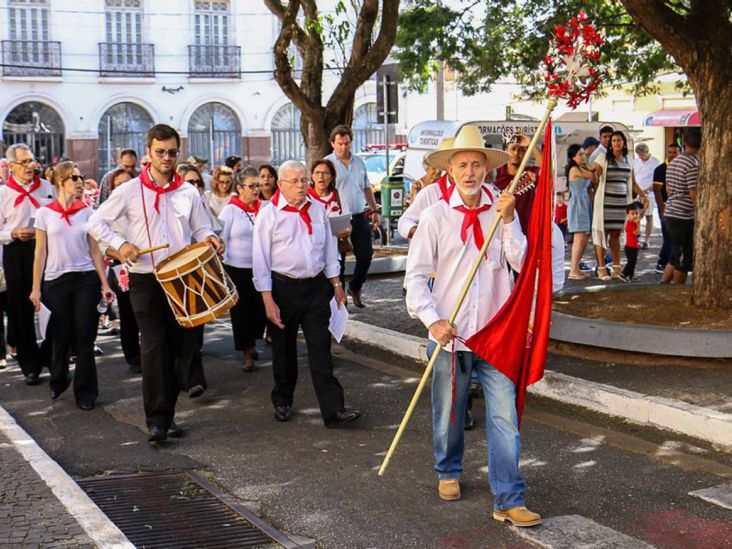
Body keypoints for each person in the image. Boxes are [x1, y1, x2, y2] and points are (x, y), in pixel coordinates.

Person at [404, 125, 540, 527]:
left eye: (477, 164)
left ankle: (509, 497)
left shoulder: (502, 208)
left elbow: (520, 261)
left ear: (486, 169)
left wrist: (511, 220)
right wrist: (433, 320)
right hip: (452, 337)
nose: (470, 172)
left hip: (495, 335)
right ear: (450, 170)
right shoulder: (434, 217)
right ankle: (448, 469)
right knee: (449, 414)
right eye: (462, 164)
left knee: (505, 420)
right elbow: (414, 278)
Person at [89, 124, 223, 442]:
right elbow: (95, 222)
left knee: (177, 347)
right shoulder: (129, 190)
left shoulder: (189, 192)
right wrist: (120, 246)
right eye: (160, 151)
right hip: (145, 279)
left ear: (179, 153)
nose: (166, 157)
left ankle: (169, 416)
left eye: (172, 152)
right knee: (153, 346)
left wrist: (212, 240)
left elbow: (203, 228)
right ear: (148, 152)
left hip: (182, 279)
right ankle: (157, 421)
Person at [252, 160, 360, 428]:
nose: (302, 186)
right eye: (295, 181)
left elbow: (328, 251)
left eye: (304, 180)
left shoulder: (318, 209)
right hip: (282, 288)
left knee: (320, 347)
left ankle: (334, 410)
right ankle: (283, 400)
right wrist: (267, 299)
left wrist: (336, 285)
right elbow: (260, 260)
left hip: (315, 288)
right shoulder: (268, 214)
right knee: (284, 348)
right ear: (281, 185)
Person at [29, 161, 114, 410]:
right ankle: (59, 376)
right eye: (74, 177)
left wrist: (104, 283)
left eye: (80, 177)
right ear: (60, 181)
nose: (79, 182)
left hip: (85, 279)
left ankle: (86, 392)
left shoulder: (88, 213)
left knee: (85, 337)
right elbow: (40, 253)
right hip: (55, 282)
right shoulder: (45, 213)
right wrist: (36, 287)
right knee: (61, 335)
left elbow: (95, 251)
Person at [0, 143, 55, 385]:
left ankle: (51, 355)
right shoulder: (3, 193)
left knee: (53, 302)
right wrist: (13, 233)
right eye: (24, 162)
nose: (30, 166)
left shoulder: (46, 187)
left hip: (46, 249)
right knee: (20, 309)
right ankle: (29, 364)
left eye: (32, 160)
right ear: (11, 166)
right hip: (16, 252)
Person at [325, 125, 381, 308]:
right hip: (337, 217)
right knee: (339, 258)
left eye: (347, 143)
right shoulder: (327, 164)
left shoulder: (359, 162)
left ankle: (355, 286)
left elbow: (366, 187)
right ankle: (339, 297)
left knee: (366, 255)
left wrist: (374, 211)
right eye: (340, 144)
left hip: (358, 215)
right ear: (333, 143)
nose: (344, 147)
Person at [218, 167, 266, 371]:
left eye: (258, 185)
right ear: (239, 188)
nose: (256, 190)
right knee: (242, 313)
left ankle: (253, 340)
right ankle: (247, 351)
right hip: (236, 268)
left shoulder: (264, 208)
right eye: (251, 186)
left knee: (260, 311)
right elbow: (220, 238)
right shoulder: (230, 210)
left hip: (260, 268)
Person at [590, 131, 647, 280]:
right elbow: (598, 171)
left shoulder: (629, 160)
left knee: (616, 235)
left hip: (621, 203)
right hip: (605, 203)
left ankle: (616, 267)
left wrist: (643, 195)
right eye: (613, 140)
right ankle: (601, 268)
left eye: (619, 140)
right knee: (602, 234)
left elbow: (633, 183)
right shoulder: (603, 158)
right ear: (610, 144)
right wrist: (594, 170)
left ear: (623, 142)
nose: (616, 143)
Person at [100, 167, 141, 374]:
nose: (124, 188)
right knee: (128, 313)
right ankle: (133, 356)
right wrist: (119, 252)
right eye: (119, 185)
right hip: (122, 267)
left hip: (147, 264)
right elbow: (100, 243)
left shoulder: (142, 206)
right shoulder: (109, 211)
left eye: (128, 183)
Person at [662, 129, 701, 285]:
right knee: (684, 258)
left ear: (684, 142)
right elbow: (694, 195)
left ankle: (664, 284)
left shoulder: (674, 161)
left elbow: (668, 189)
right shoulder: (693, 164)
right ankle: (679, 290)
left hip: (671, 212)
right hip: (683, 216)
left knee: (676, 253)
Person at [308, 158, 352, 285]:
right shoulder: (306, 197)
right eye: (317, 173)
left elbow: (347, 222)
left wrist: (346, 230)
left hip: (335, 249)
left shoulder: (338, 196)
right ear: (312, 176)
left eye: (325, 173)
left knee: (337, 284)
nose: (321, 177)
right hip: (313, 250)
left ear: (332, 177)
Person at [493, 132, 542, 233]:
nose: (516, 153)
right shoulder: (495, 174)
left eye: (521, 150)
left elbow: (548, 170)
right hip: (499, 231)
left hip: (525, 231)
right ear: (506, 151)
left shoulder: (531, 173)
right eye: (513, 149)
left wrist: (531, 144)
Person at [565, 144, 596, 279]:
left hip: (584, 202)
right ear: (573, 157)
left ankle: (576, 267)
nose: (583, 157)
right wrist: (590, 166)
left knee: (583, 238)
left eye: (584, 154)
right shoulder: (574, 169)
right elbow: (593, 176)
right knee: (579, 238)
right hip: (578, 204)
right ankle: (573, 270)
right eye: (580, 155)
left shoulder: (579, 168)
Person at [652, 143, 682, 273]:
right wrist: (661, 208)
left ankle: (671, 262)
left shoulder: (682, 168)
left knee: (676, 237)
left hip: (680, 207)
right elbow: (656, 190)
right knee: (668, 237)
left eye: (674, 153)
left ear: (680, 153)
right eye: (670, 152)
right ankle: (662, 262)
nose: (672, 155)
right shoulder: (660, 169)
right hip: (666, 207)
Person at [633, 143, 661, 248]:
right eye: (638, 155)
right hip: (637, 192)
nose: (640, 156)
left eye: (641, 154)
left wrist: (647, 190)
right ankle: (636, 238)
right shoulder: (636, 162)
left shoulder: (655, 162)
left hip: (649, 193)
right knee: (636, 216)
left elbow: (657, 181)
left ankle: (647, 240)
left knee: (648, 216)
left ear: (646, 152)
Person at [619, 202, 642, 282]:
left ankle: (631, 275)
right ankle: (624, 273)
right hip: (630, 247)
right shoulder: (629, 224)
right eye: (632, 214)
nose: (635, 215)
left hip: (634, 246)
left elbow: (638, 233)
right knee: (631, 262)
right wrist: (638, 224)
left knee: (633, 262)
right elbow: (636, 233)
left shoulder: (634, 223)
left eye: (636, 213)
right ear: (628, 214)